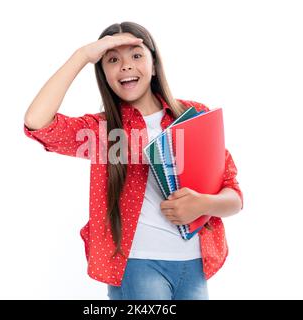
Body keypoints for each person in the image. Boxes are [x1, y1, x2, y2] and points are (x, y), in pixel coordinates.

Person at [23, 21, 244, 300]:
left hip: (195, 266)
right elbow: (38, 122)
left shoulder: (194, 115)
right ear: (103, 73)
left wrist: (204, 204)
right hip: (138, 267)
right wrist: (82, 56)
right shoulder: (104, 132)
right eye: (113, 60)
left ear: (154, 63)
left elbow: (233, 194)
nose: (126, 66)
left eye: (136, 55)